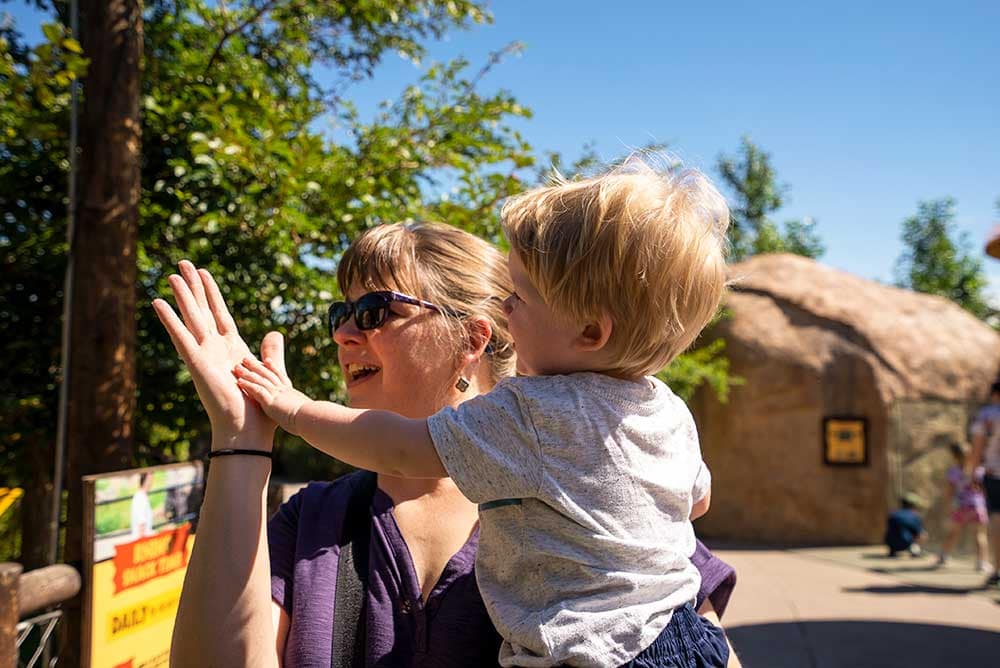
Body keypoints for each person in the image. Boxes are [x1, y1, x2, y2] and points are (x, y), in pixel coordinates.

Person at [157, 223, 740, 667]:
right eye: (342, 312)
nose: (341, 333)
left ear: (471, 338)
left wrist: (297, 411)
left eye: (373, 310)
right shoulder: (313, 522)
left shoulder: (608, 503)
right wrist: (240, 441)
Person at [935, 442, 989, 572]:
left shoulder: (954, 471)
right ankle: (981, 562)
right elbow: (984, 490)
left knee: (953, 533)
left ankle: (943, 555)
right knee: (979, 535)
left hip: (961, 506)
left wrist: (948, 506)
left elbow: (950, 491)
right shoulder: (979, 471)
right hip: (976, 506)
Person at [969, 380, 1000, 587]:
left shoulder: (988, 415)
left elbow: (978, 448)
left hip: (994, 473)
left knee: (997, 520)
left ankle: (998, 568)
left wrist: (973, 473)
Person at [885, 493, 927, 557]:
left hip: (890, 543)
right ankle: (915, 550)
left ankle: (893, 551)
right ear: (913, 505)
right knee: (922, 534)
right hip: (905, 543)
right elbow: (919, 533)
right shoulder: (914, 516)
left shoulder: (893, 514)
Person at [130, 472, 154, 539]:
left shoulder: (141, 496)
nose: (152, 483)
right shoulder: (141, 498)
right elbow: (141, 524)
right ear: (145, 481)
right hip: (143, 540)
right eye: (150, 480)